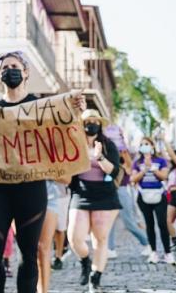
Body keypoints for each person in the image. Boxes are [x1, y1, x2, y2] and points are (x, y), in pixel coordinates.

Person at [0, 51, 85, 293]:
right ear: (0, 74)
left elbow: (62, 130)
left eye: (14, 66)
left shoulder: (39, 106)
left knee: (29, 255)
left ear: (26, 73)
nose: (9, 70)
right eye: (5, 67)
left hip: (31, 191)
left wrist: (76, 111)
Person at [67, 110, 120, 291]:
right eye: (87, 121)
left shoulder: (108, 145)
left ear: (100, 123)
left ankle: (95, 278)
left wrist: (100, 157)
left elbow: (113, 171)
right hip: (81, 193)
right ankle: (85, 261)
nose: (91, 124)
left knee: (100, 239)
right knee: (74, 238)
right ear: (81, 124)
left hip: (104, 195)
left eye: (94, 121)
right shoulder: (74, 143)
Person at [131, 137, 175, 264]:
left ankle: (168, 253)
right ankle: (153, 252)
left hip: (159, 195)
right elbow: (133, 178)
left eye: (147, 144)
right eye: (142, 144)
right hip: (143, 196)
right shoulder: (137, 162)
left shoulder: (161, 161)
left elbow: (164, 176)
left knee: (162, 224)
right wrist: (144, 169)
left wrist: (153, 168)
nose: (144, 146)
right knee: (149, 225)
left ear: (152, 146)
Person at [107, 148, 150, 257]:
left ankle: (147, 243)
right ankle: (110, 249)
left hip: (122, 191)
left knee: (129, 222)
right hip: (111, 191)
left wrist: (123, 151)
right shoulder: (110, 159)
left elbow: (129, 170)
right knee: (109, 223)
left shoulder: (124, 161)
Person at [37, 179, 69, 293]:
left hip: (53, 195)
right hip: (23, 193)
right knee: (29, 250)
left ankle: (58, 256)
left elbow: (68, 177)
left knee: (43, 247)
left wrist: (45, 172)